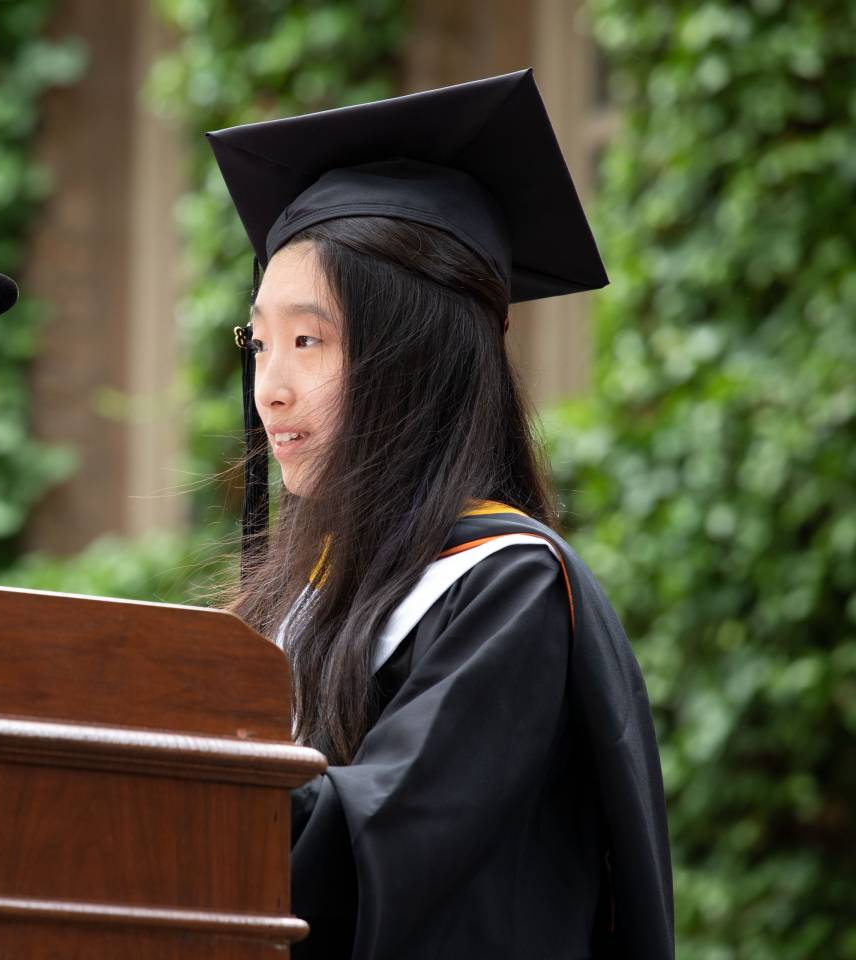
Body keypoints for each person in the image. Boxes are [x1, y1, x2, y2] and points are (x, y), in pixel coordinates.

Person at [206, 69, 674, 958]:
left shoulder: (508, 591)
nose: (270, 387)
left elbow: (382, 846)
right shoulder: (309, 595)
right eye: (259, 342)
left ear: (416, 356)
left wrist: (159, 793)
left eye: (309, 340)